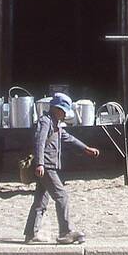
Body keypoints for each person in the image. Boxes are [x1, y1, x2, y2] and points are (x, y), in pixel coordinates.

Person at [23, 92, 100, 244]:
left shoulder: (55, 125)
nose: (65, 115)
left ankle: (31, 234)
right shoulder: (45, 122)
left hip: (46, 166)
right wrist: (40, 163)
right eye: (64, 111)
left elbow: (68, 138)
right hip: (46, 166)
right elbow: (40, 142)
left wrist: (86, 148)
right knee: (62, 196)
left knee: (40, 202)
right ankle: (65, 232)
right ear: (57, 109)